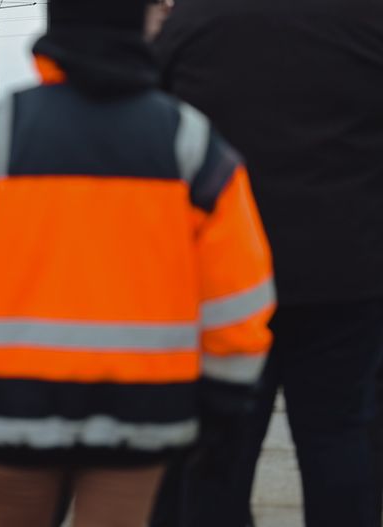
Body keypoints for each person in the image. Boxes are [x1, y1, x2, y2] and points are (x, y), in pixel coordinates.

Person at [0, 1, 275, 525]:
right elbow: (239, 296)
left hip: (13, 404)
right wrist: (225, 393)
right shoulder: (191, 142)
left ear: (55, 30)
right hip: (144, 407)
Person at [150, 1, 383, 526]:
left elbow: (155, 128)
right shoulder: (368, 17)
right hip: (346, 274)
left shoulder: (196, 21)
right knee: (339, 436)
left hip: (225, 282)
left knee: (219, 449)